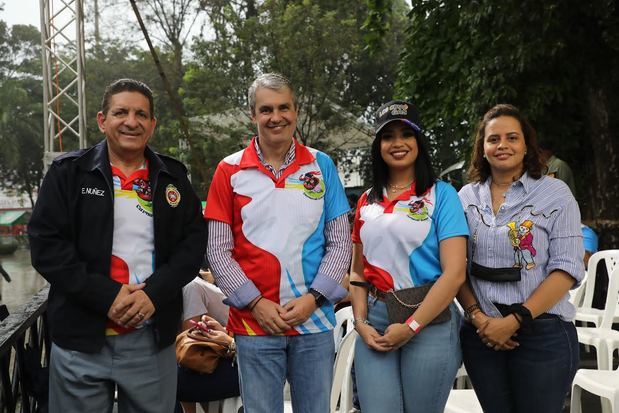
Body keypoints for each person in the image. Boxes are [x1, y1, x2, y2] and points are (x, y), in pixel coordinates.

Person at [28, 78, 206, 413]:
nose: (131, 121)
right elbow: (46, 245)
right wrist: (106, 295)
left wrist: (153, 293)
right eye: (121, 112)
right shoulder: (68, 173)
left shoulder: (173, 177)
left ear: (152, 124)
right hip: (81, 337)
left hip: (151, 337)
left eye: (141, 114)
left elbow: (193, 245)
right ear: (102, 119)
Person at [204, 73, 352, 413]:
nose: (276, 117)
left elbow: (340, 243)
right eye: (266, 109)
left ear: (296, 111)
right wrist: (255, 303)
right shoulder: (228, 170)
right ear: (253, 115)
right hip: (254, 323)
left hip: (313, 321)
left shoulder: (322, 164)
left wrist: (313, 300)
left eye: (284, 107)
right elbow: (218, 250)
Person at [457, 104, 584, 413]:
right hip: (481, 336)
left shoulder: (555, 193)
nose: (503, 145)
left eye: (512, 137)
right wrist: (480, 319)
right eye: (494, 139)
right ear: (482, 148)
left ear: (527, 145)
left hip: (542, 335)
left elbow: (566, 268)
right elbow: (454, 268)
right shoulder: (465, 197)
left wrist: (514, 321)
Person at [349, 100, 468, 412]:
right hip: (374, 318)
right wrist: (360, 322)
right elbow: (357, 272)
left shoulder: (442, 195)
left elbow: (454, 273)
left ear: (419, 142)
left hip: (429, 319)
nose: (397, 143)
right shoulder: (366, 200)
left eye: (406, 134)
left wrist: (412, 326)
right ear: (378, 145)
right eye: (388, 136)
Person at [176, 270, 239, 413]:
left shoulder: (191, 286)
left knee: (174, 378)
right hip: (222, 354)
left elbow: (189, 354)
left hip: (240, 360)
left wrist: (229, 341)